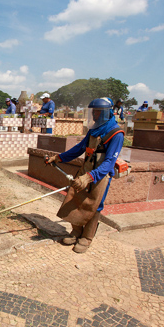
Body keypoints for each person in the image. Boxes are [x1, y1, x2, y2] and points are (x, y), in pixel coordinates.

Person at [45, 97, 124, 254]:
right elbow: (79, 149)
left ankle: (87, 238)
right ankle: (76, 232)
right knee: (74, 199)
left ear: (107, 113)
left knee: (94, 206)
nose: (94, 115)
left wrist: (89, 177)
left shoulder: (116, 134)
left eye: (98, 112)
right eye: (92, 112)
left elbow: (109, 162)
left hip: (99, 176)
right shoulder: (93, 130)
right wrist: (59, 158)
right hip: (85, 170)